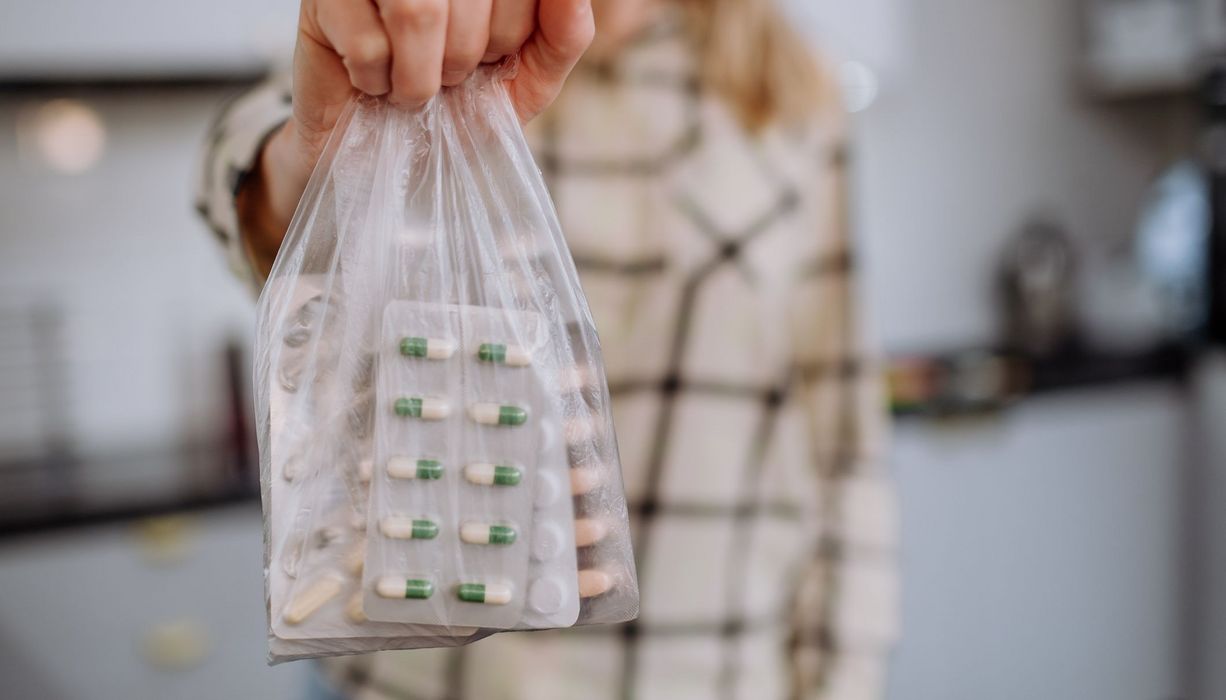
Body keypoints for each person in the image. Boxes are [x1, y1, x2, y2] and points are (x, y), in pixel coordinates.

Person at [196, 0, 898, 697]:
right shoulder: (432, 39)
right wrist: (311, 151)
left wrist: (844, 679)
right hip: (415, 673)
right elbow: (243, 174)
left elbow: (843, 442)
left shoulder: (791, 91)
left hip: (701, 672)